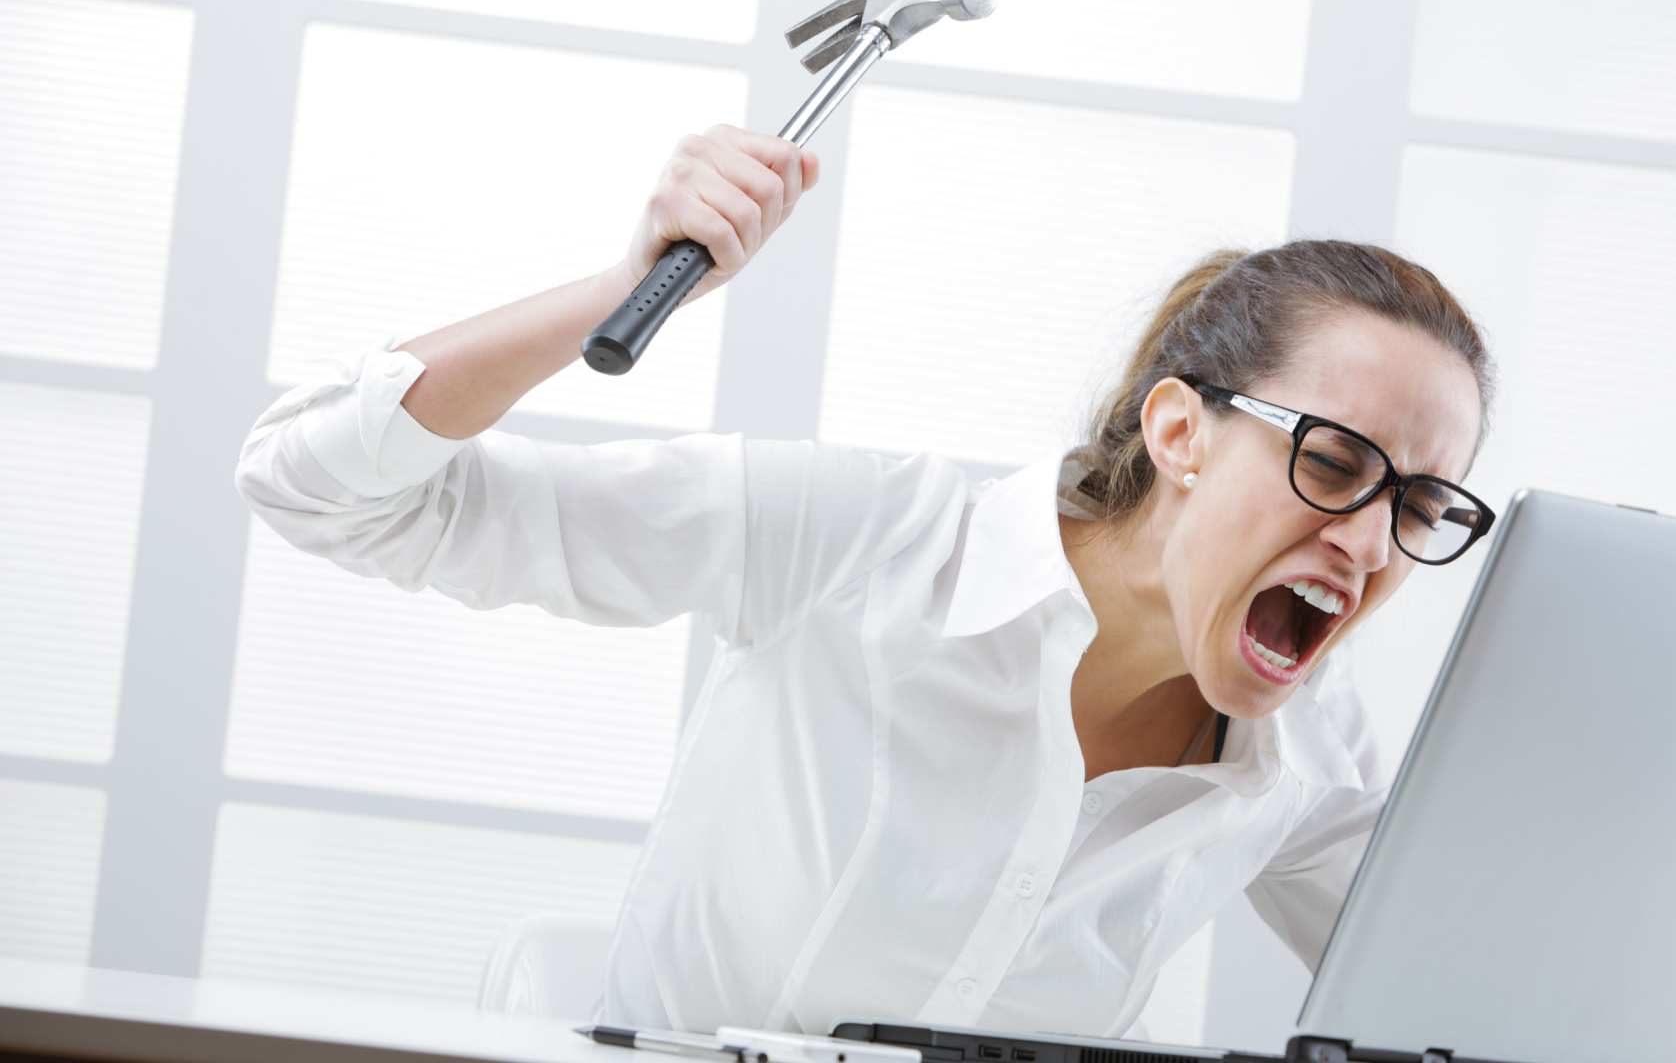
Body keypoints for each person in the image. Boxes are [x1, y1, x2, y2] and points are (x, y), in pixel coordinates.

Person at [236, 125, 1496, 1037]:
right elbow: (317, 482)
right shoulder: (856, 540)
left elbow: (1477, 1010)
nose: (1374, 546)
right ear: (1178, 433)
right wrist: (621, 292)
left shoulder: (1314, 766)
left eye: (1423, 506)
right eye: (1336, 464)